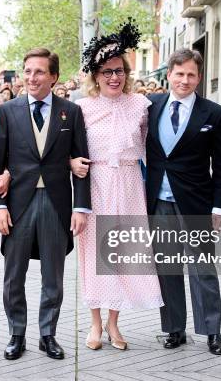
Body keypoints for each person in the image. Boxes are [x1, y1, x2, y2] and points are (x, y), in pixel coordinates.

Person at [0, 47, 91, 360]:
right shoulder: (7, 111)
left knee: (54, 277)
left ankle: (48, 335)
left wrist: (81, 207)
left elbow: (82, 161)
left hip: (57, 203)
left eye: (39, 72)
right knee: (13, 275)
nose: (31, 78)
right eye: (28, 71)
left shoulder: (70, 112)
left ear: (54, 76)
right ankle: (16, 334)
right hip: (18, 203)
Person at [70, 21, 164, 351]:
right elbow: (67, 149)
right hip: (95, 187)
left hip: (128, 187)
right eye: (108, 71)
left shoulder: (141, 105)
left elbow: (156, 149)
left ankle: (114, 323)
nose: (114, 77)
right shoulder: (81, 108)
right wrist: (71, 162)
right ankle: (94, 324)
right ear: (95, 75)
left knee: (123, 256)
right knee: (96, 256)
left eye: (120, 71)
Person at [145, 48, 221, 356]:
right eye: (179, 74)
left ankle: (212, 331)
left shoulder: (213, 113)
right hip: (159, 201)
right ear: (168, 75)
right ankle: (174, 329)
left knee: (202, 268)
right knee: (166, 267)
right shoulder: (150, 106)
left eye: (191, 74)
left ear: (199, 77)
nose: (184, 80)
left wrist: (219, 208)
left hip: (197, 203)